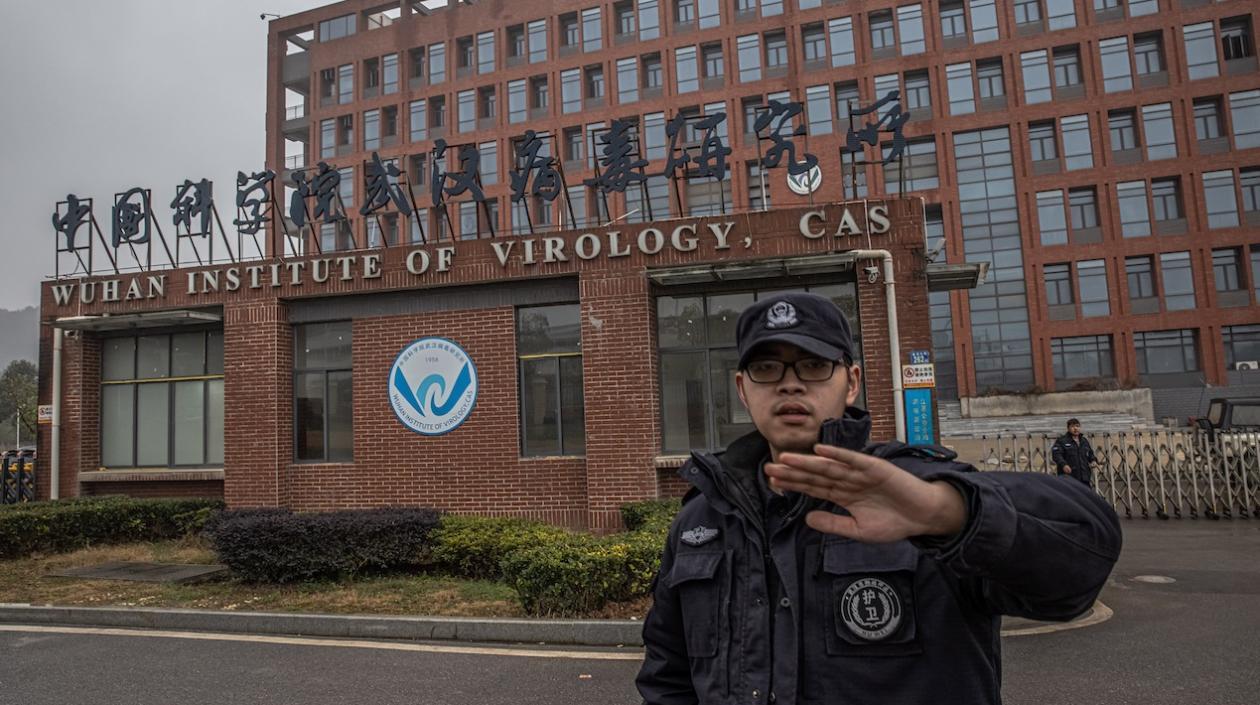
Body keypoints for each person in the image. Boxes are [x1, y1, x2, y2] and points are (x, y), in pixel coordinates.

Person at [637, 292, 1121, 705]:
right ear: (743, 390)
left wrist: (948, 514)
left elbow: (1083, 560)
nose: (789, 382)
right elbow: (668, 676)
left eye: (813, 364)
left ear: (851, 382)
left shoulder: (918, 490)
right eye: (766, 367)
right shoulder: (704, 518)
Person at [1052, 418, 1099, 487]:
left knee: (1085, 496)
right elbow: (1056, 455)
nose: (1075, 428)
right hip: (1069, 478)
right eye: (1072, 426)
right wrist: (1064, 465)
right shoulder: (1062, 441)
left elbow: (1090, 454)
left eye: (1077, 426)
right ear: (1068, 428)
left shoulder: (1084, 441)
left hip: (1084, 478)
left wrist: (1093, 460)